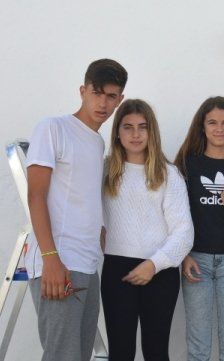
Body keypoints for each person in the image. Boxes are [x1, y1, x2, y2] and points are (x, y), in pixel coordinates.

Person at [25, 58, 127, 361]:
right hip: (58, 263)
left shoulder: (96, 143)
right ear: (82, 91)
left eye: (111, 96)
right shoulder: (53, 128)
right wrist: (51, 260)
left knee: (80, 355)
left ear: (119, 100)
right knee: (62, 356)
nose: (103, 103)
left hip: (87, 264)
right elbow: (35, 196)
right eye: (97, 93)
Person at [101, 99, 193, 361]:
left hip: (160, 272)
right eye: (128, 127)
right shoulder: (105, 171)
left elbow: (183, 231)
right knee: (120, 352)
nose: (136, 134)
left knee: (155, 351)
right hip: (117, 269)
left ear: (152, 131)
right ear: (117, 132)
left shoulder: (169, 175)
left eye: (143, 127)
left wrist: (153, 265)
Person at [174, 96, 224, 361]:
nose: (220, 129)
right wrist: (183, 256)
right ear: (202, 127)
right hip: (197, 261)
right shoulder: (187, 163)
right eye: (213, 122)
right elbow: (173, 217)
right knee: (198, 347)